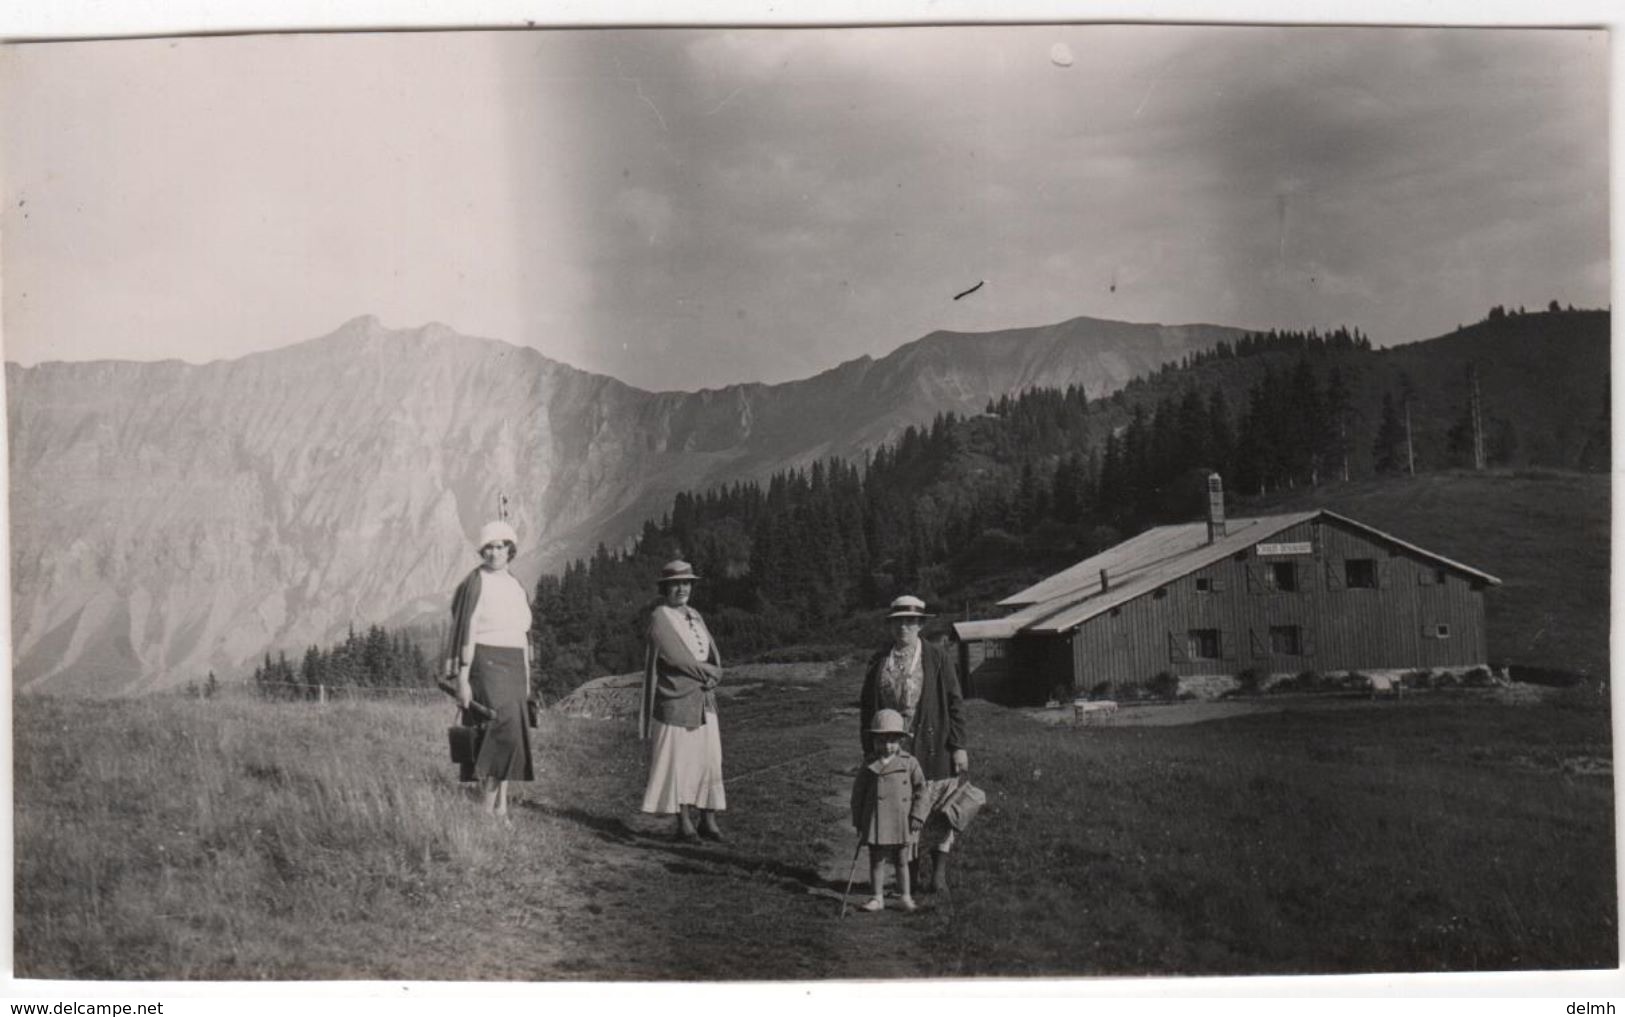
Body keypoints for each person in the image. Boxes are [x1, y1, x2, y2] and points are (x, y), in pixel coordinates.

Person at [858, 594, 969, 894]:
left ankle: (938, 875)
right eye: (897, 622)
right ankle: (911, 874)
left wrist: (959, 746)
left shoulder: (937, 657)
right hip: (895, 749)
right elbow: (867, 708)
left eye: (909, 622)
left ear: (920, 625)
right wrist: (869, 746)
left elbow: (955, 702)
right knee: (903, 810)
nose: (903, 628)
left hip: (934, 745)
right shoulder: (880, 660)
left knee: (938, 810)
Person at [447, 520, 535, 821]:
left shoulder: (515, 585)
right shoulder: (476, 582)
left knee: (513, 736)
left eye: (500, 547)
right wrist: (462, 677)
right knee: (497, 732)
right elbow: (467, 630)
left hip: (515, 666)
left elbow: (523, 634)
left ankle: (502, 807)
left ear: (509, 549)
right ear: (482, 551)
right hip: (486, 662)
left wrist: (527, 678)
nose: (495, 553)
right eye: (489, 547)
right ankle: (486, 812)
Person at [639, 559, 726, 842]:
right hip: (676, 697)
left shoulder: (695, 615)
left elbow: (711, 652)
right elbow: (675, 656)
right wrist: (709, 672)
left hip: (703, 697)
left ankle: (708, 819)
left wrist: (716, 672)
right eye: (675, 584)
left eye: (686, 583)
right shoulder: (660, 617)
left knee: (709, 757)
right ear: (665, 588)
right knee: (681, 761)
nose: (682, 589)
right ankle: (684, 822)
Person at [850, 709, 931, 913]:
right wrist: (859, 821)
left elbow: (922, 790)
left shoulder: (909, 763)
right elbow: (858, 794)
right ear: (874, 740)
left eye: (892, 741)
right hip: (876, 820)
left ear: (901, 741)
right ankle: (877, 897)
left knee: (902, 861)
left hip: (901, 820)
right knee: (876, 861)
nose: (887, 746)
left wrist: (917, 815)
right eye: (881, 740)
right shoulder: (869, 764)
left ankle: (905, 896)